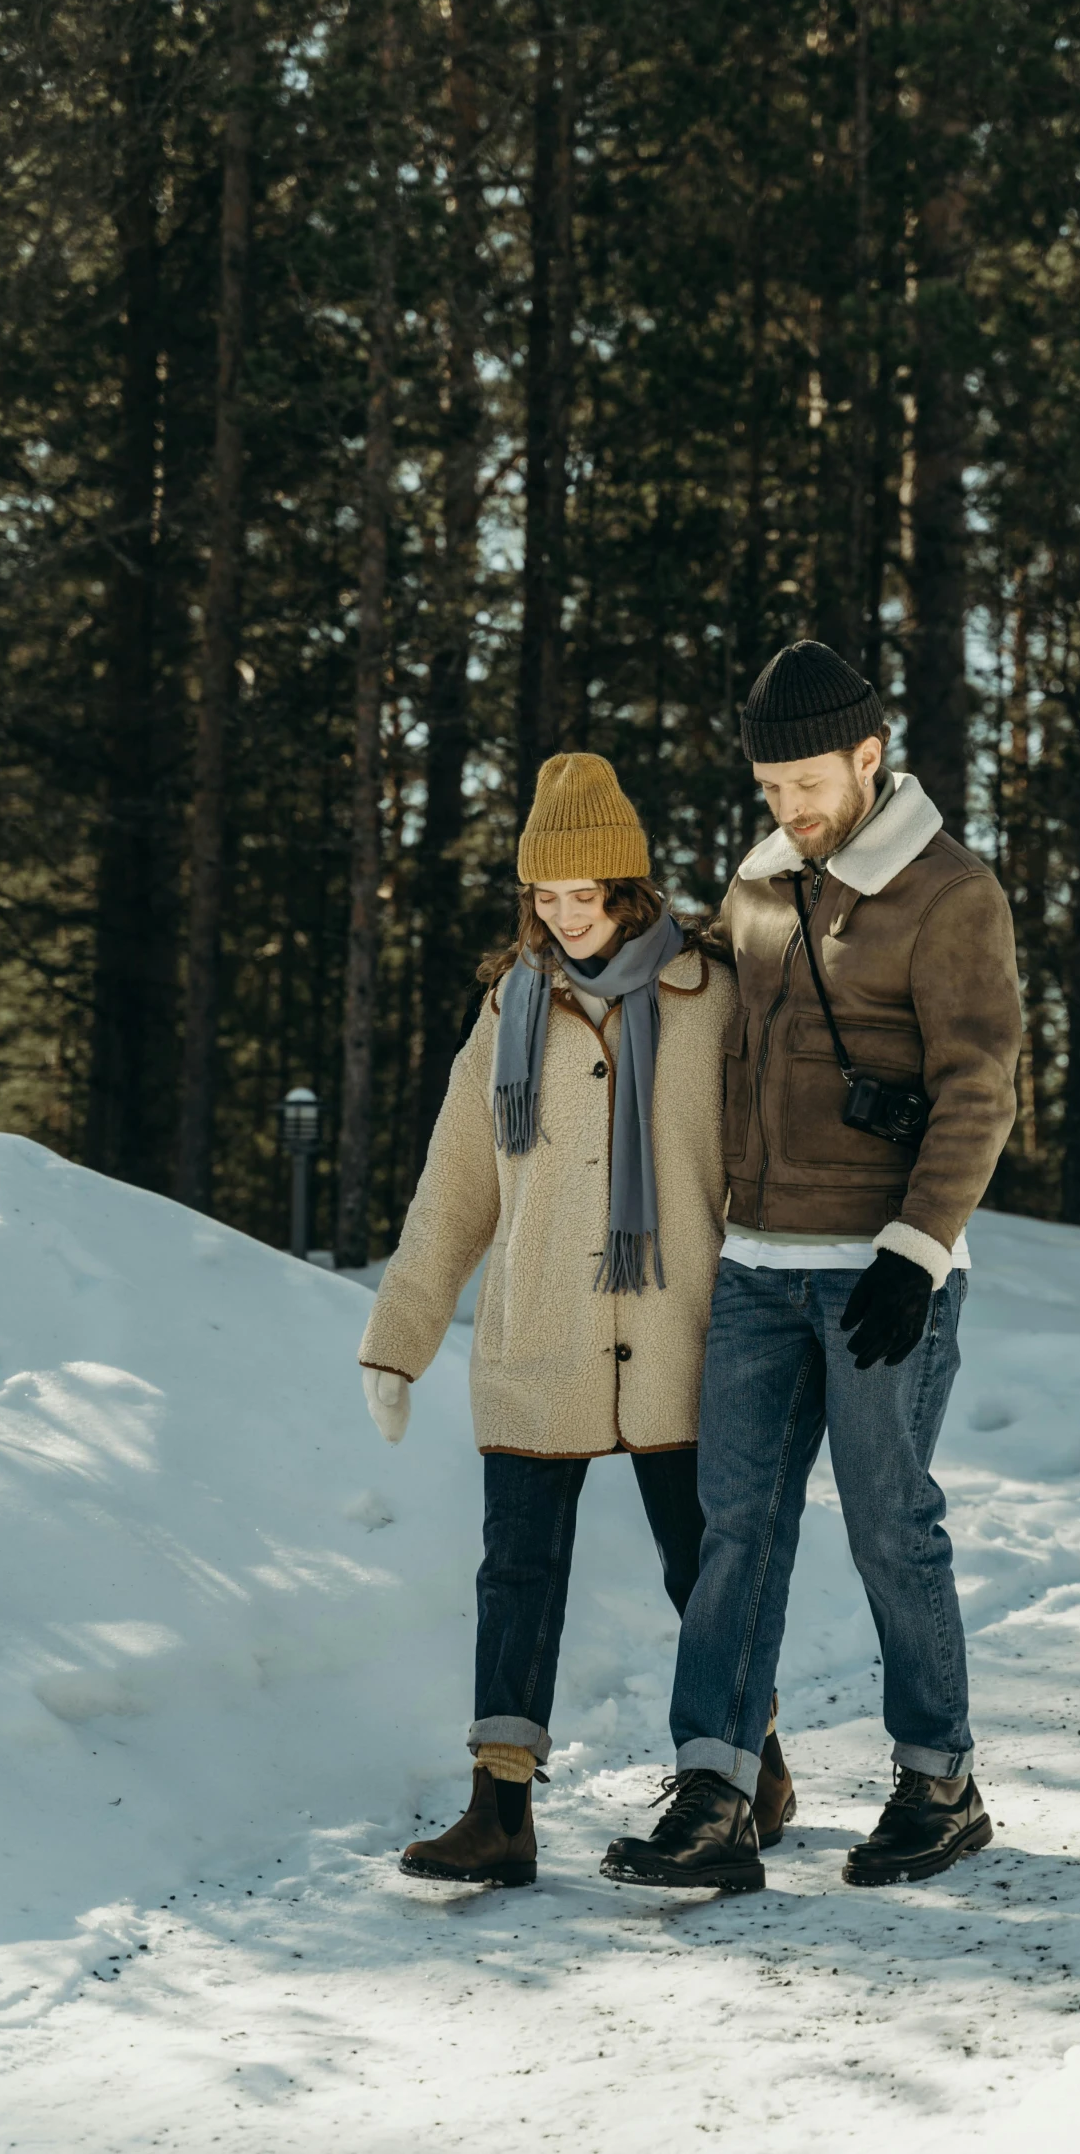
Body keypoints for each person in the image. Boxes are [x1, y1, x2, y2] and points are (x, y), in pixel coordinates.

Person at [602, 641, 1021, 1893]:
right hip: (756, 1265)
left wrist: (915, 1249)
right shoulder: (761, 883)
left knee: (891, 1524)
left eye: (806, 783)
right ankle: (718, 1791)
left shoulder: (951, 895)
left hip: (881, 1273)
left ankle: (938, 1781)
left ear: (869, 755)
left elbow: (979, 1088)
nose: (787, 808)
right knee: (737, 1527)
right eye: (768, 787)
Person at [357, 752, 795, 1887]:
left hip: (681, 1332)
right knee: (517, 1571)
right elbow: (457, 1183)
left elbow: (768, 1160)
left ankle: (753, 1766)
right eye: (542, 899)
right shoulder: (512, 1006)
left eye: (582, 896)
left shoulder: (710, 995)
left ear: (630, 890)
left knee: (701, 1566)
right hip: (537, 1334)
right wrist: (400, 1334)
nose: (563, 919)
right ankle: (499, 1811)